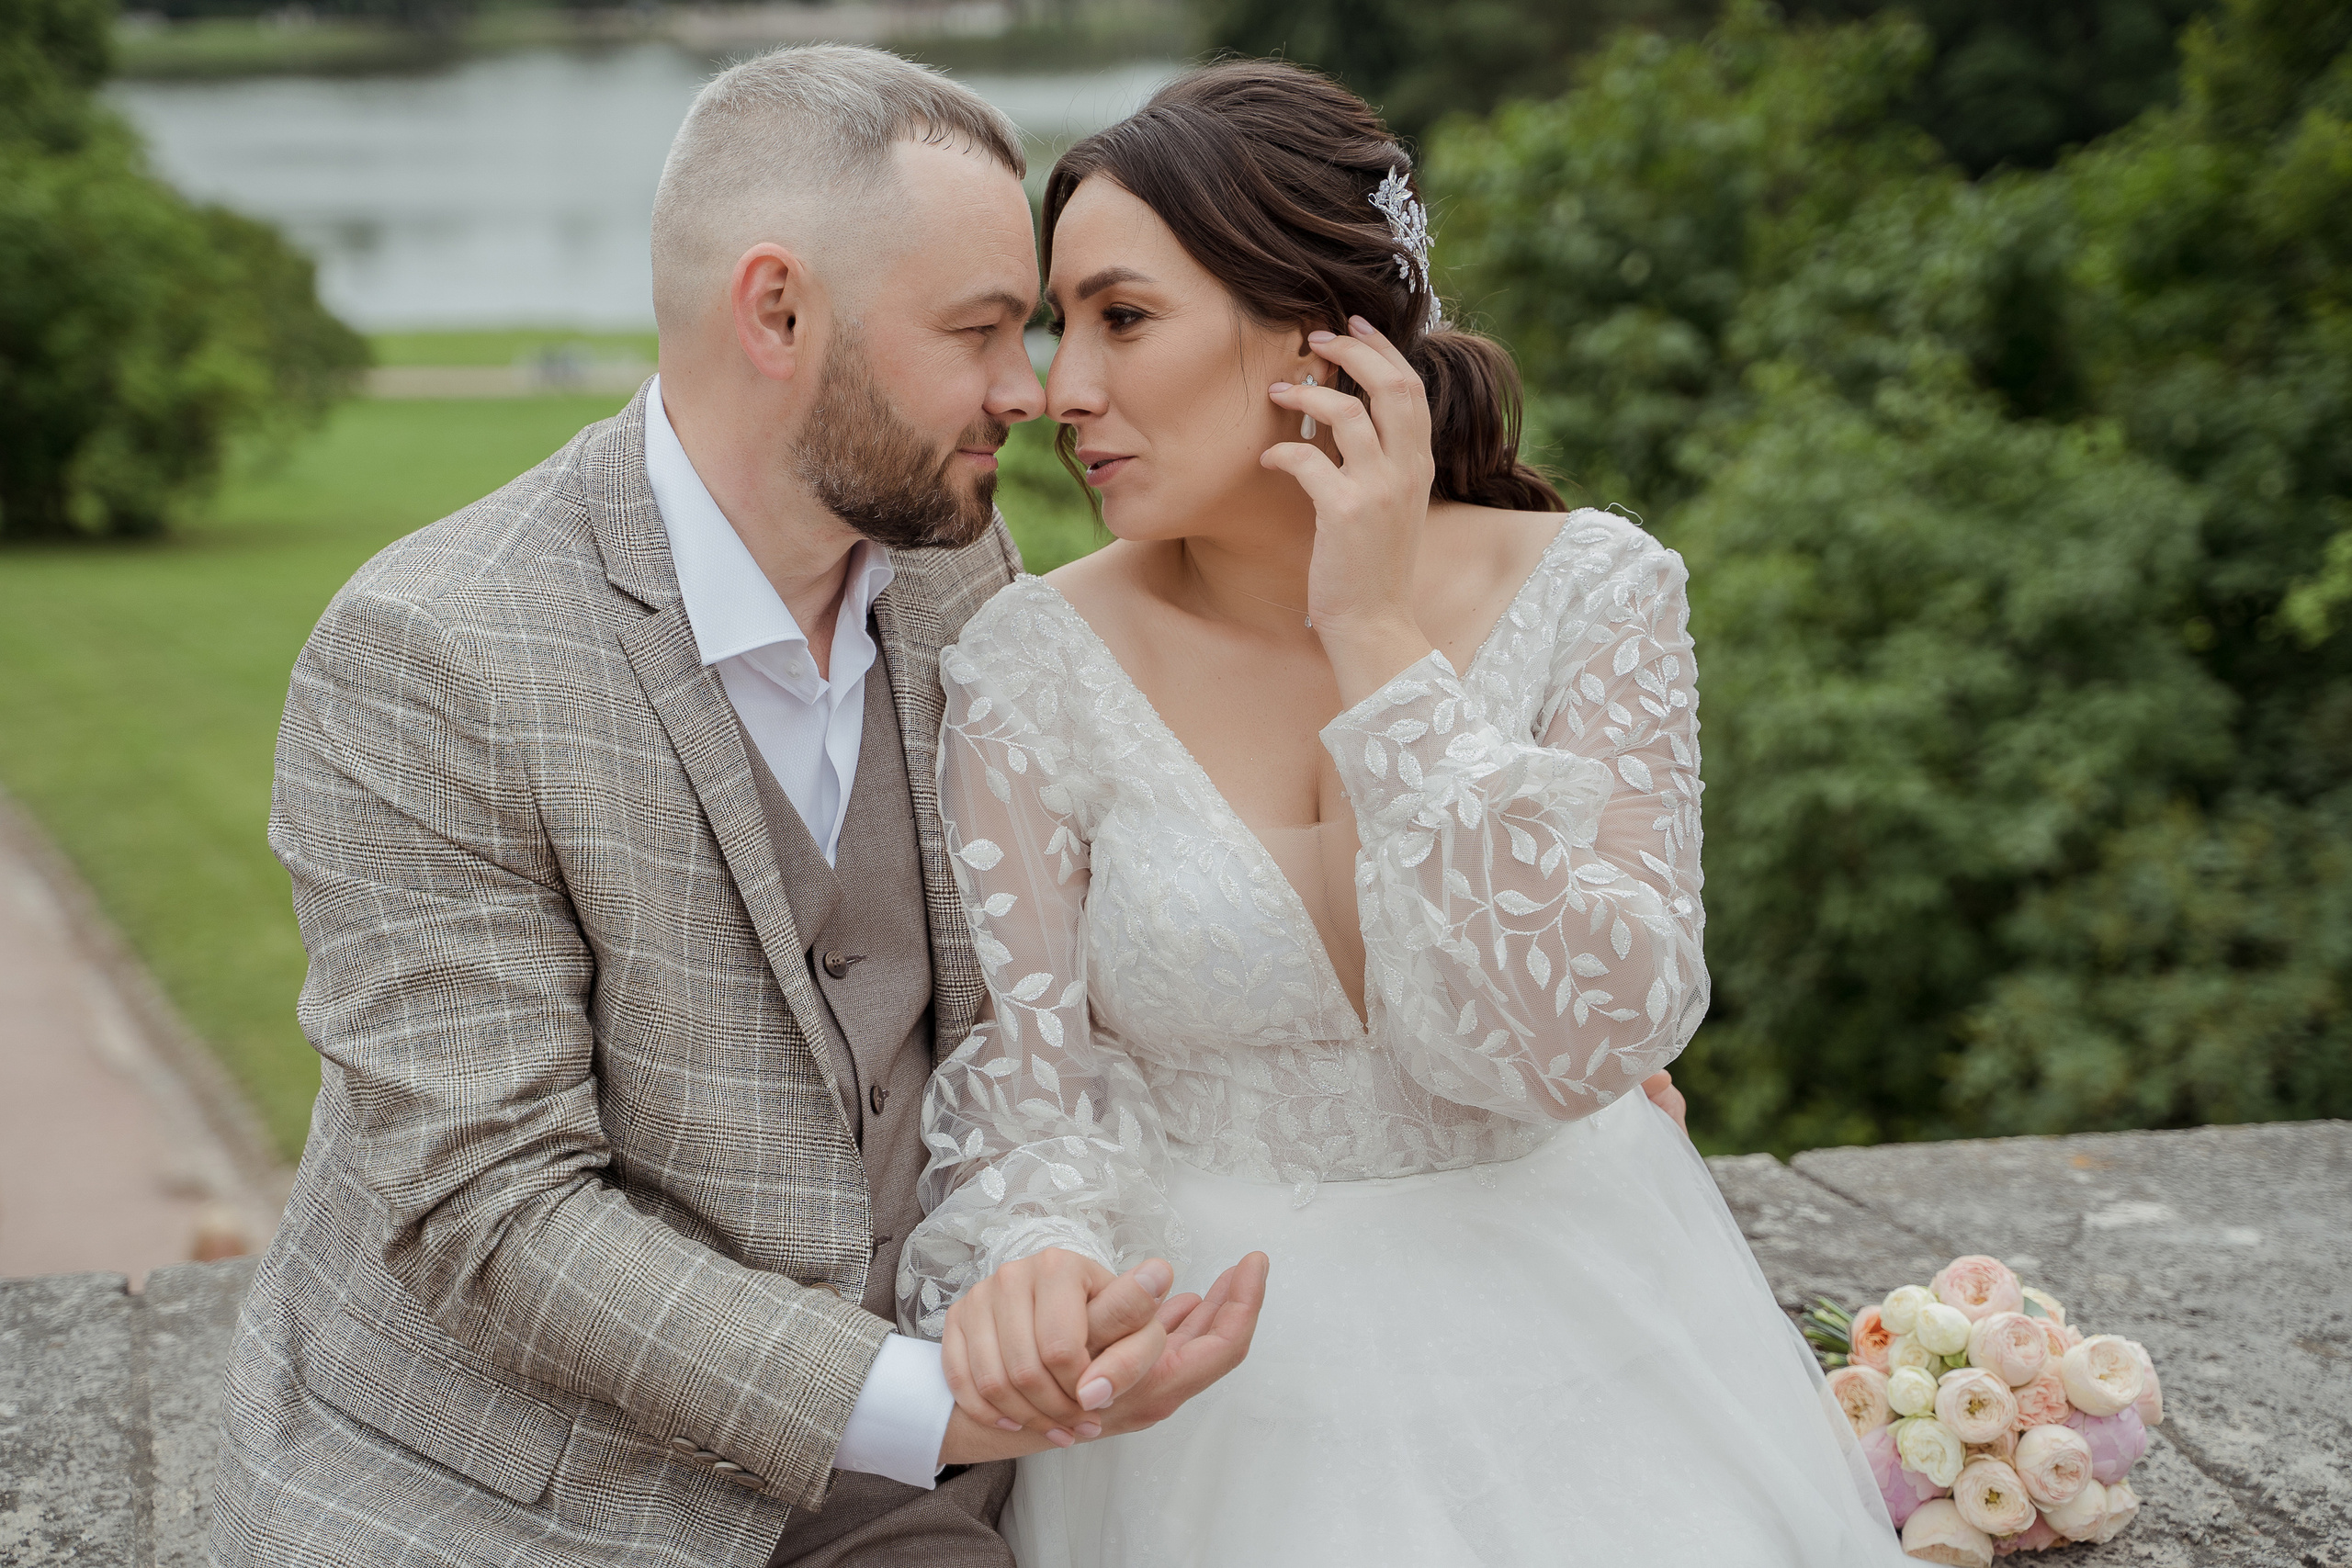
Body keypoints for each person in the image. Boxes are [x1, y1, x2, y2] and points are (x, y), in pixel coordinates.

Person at [209, 46, 1263, 1568]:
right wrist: (929, 1404)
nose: (1028, 392)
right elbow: (491, 1213)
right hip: (548, 1489)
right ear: (776, 312)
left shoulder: (962, 568)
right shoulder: (432, 654)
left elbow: (1044, 973)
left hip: (941, 1451)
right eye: (977, 331)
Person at [900, 62, 1913, 1566]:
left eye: (1123, 317)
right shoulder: (1029, 662)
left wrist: (1375, 638)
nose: (1063, 391)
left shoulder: (1599, 594)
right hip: (1210, 1397)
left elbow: (1582, 1045)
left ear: (1317, 331)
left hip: (1598, 1349)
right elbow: (1030, 1087)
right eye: (1061, 325)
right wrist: (1042, 1260)